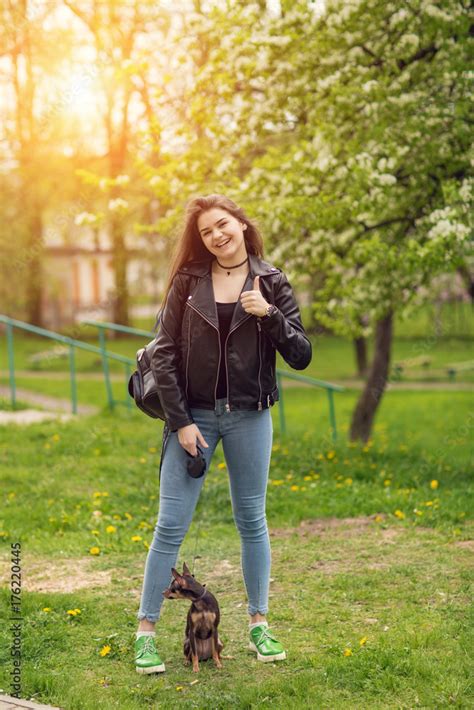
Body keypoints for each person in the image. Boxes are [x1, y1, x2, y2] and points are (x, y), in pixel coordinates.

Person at [134, 194, 312, 673]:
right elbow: (164, 355)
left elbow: (301, 354)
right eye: (206, 231)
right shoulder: (189, 283)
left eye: (223, 224)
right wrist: (182, 422)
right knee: (170, 524)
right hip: (193, 417)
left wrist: (268, 315)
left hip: (251, 416)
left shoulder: (271, 281)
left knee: (252, 520)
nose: (216, 235)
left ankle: (259, 624)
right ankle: (145, 632)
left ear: (241, 224)